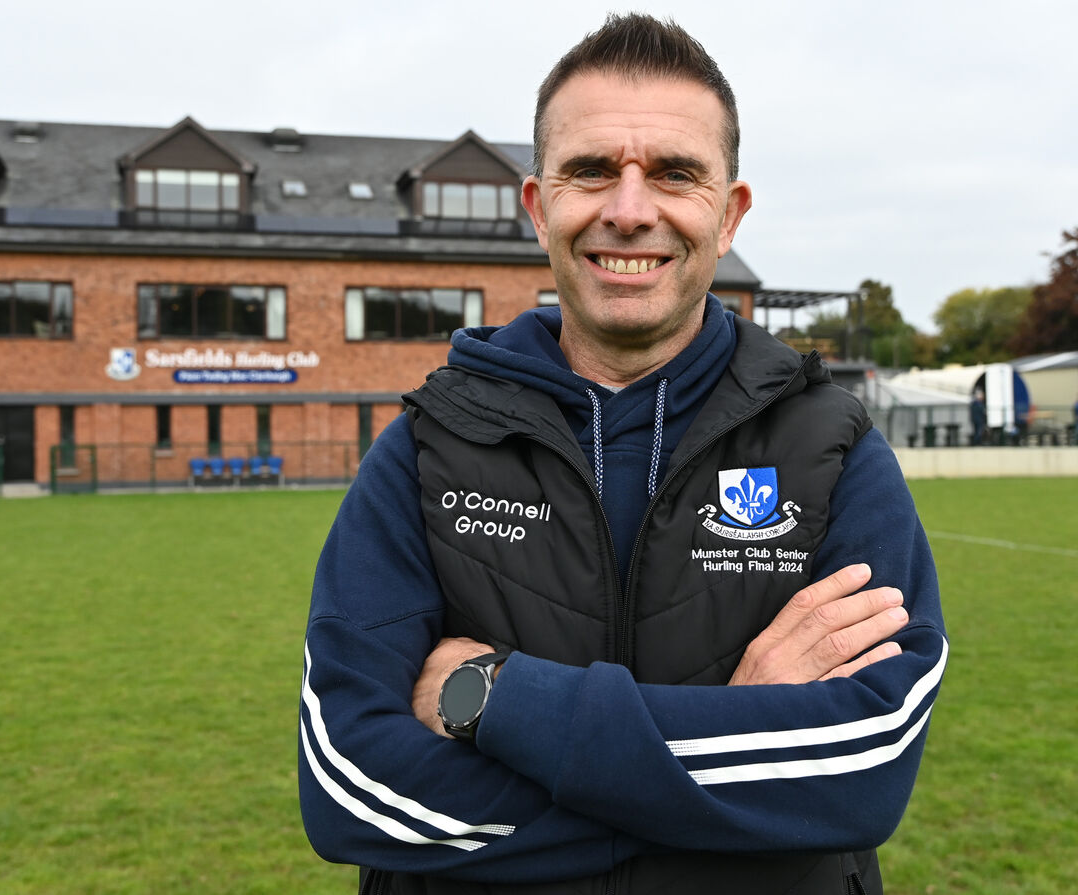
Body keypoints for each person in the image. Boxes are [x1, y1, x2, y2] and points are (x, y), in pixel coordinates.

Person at [300, 14, 947, 895]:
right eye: (592, 170)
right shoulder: (427, 445)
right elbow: (353, 789)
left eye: (675, 174)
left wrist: (493, 697)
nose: (631, 209)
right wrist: (738, 750)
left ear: (729, 214)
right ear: (538, 206)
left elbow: (861, 771)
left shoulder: (832, 447)